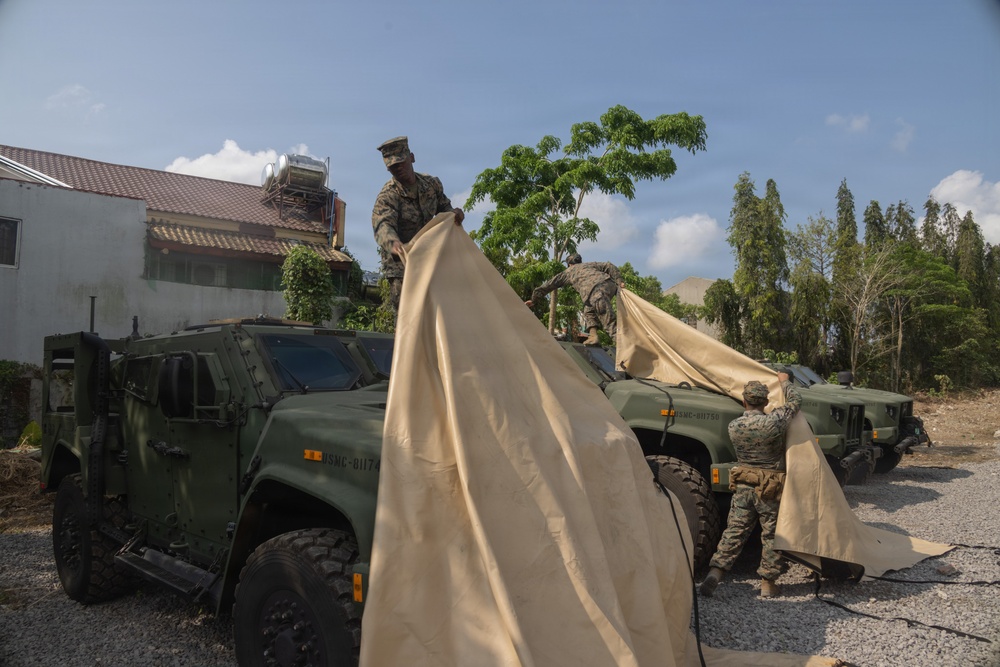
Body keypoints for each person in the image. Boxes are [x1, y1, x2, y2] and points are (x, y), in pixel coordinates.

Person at [699, 372, 802, 599]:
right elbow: (796, 401)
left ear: (744, 402)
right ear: (765, 402)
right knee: (771, 534)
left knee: (735, 531)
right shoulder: (774, 421)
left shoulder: (734, 426)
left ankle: (715, 573)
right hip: (769, 488)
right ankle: (768, 583)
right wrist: (784, 381)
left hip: (744, 485)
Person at [371, 136, 464, 314]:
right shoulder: (388, 196)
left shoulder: (431, 185)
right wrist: (393, 244)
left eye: (401, 163)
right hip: (401, 264)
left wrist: (455, 214)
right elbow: (382, 224)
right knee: (407, 312)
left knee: (438, 307)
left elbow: (444, 209)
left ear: (412, 158)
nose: (398, 169)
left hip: (429, 257)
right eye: (393, 167)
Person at [524, 253, 623, 345]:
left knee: (609, 323)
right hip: (610, 285)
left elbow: (549, 284)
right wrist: (620, 281)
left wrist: (534, 300)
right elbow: (609, 266)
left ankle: (625, 347)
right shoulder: (589, 265)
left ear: (569, 264)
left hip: (595, 292)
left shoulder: (569, 271)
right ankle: (593, 336)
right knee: (588, 310)